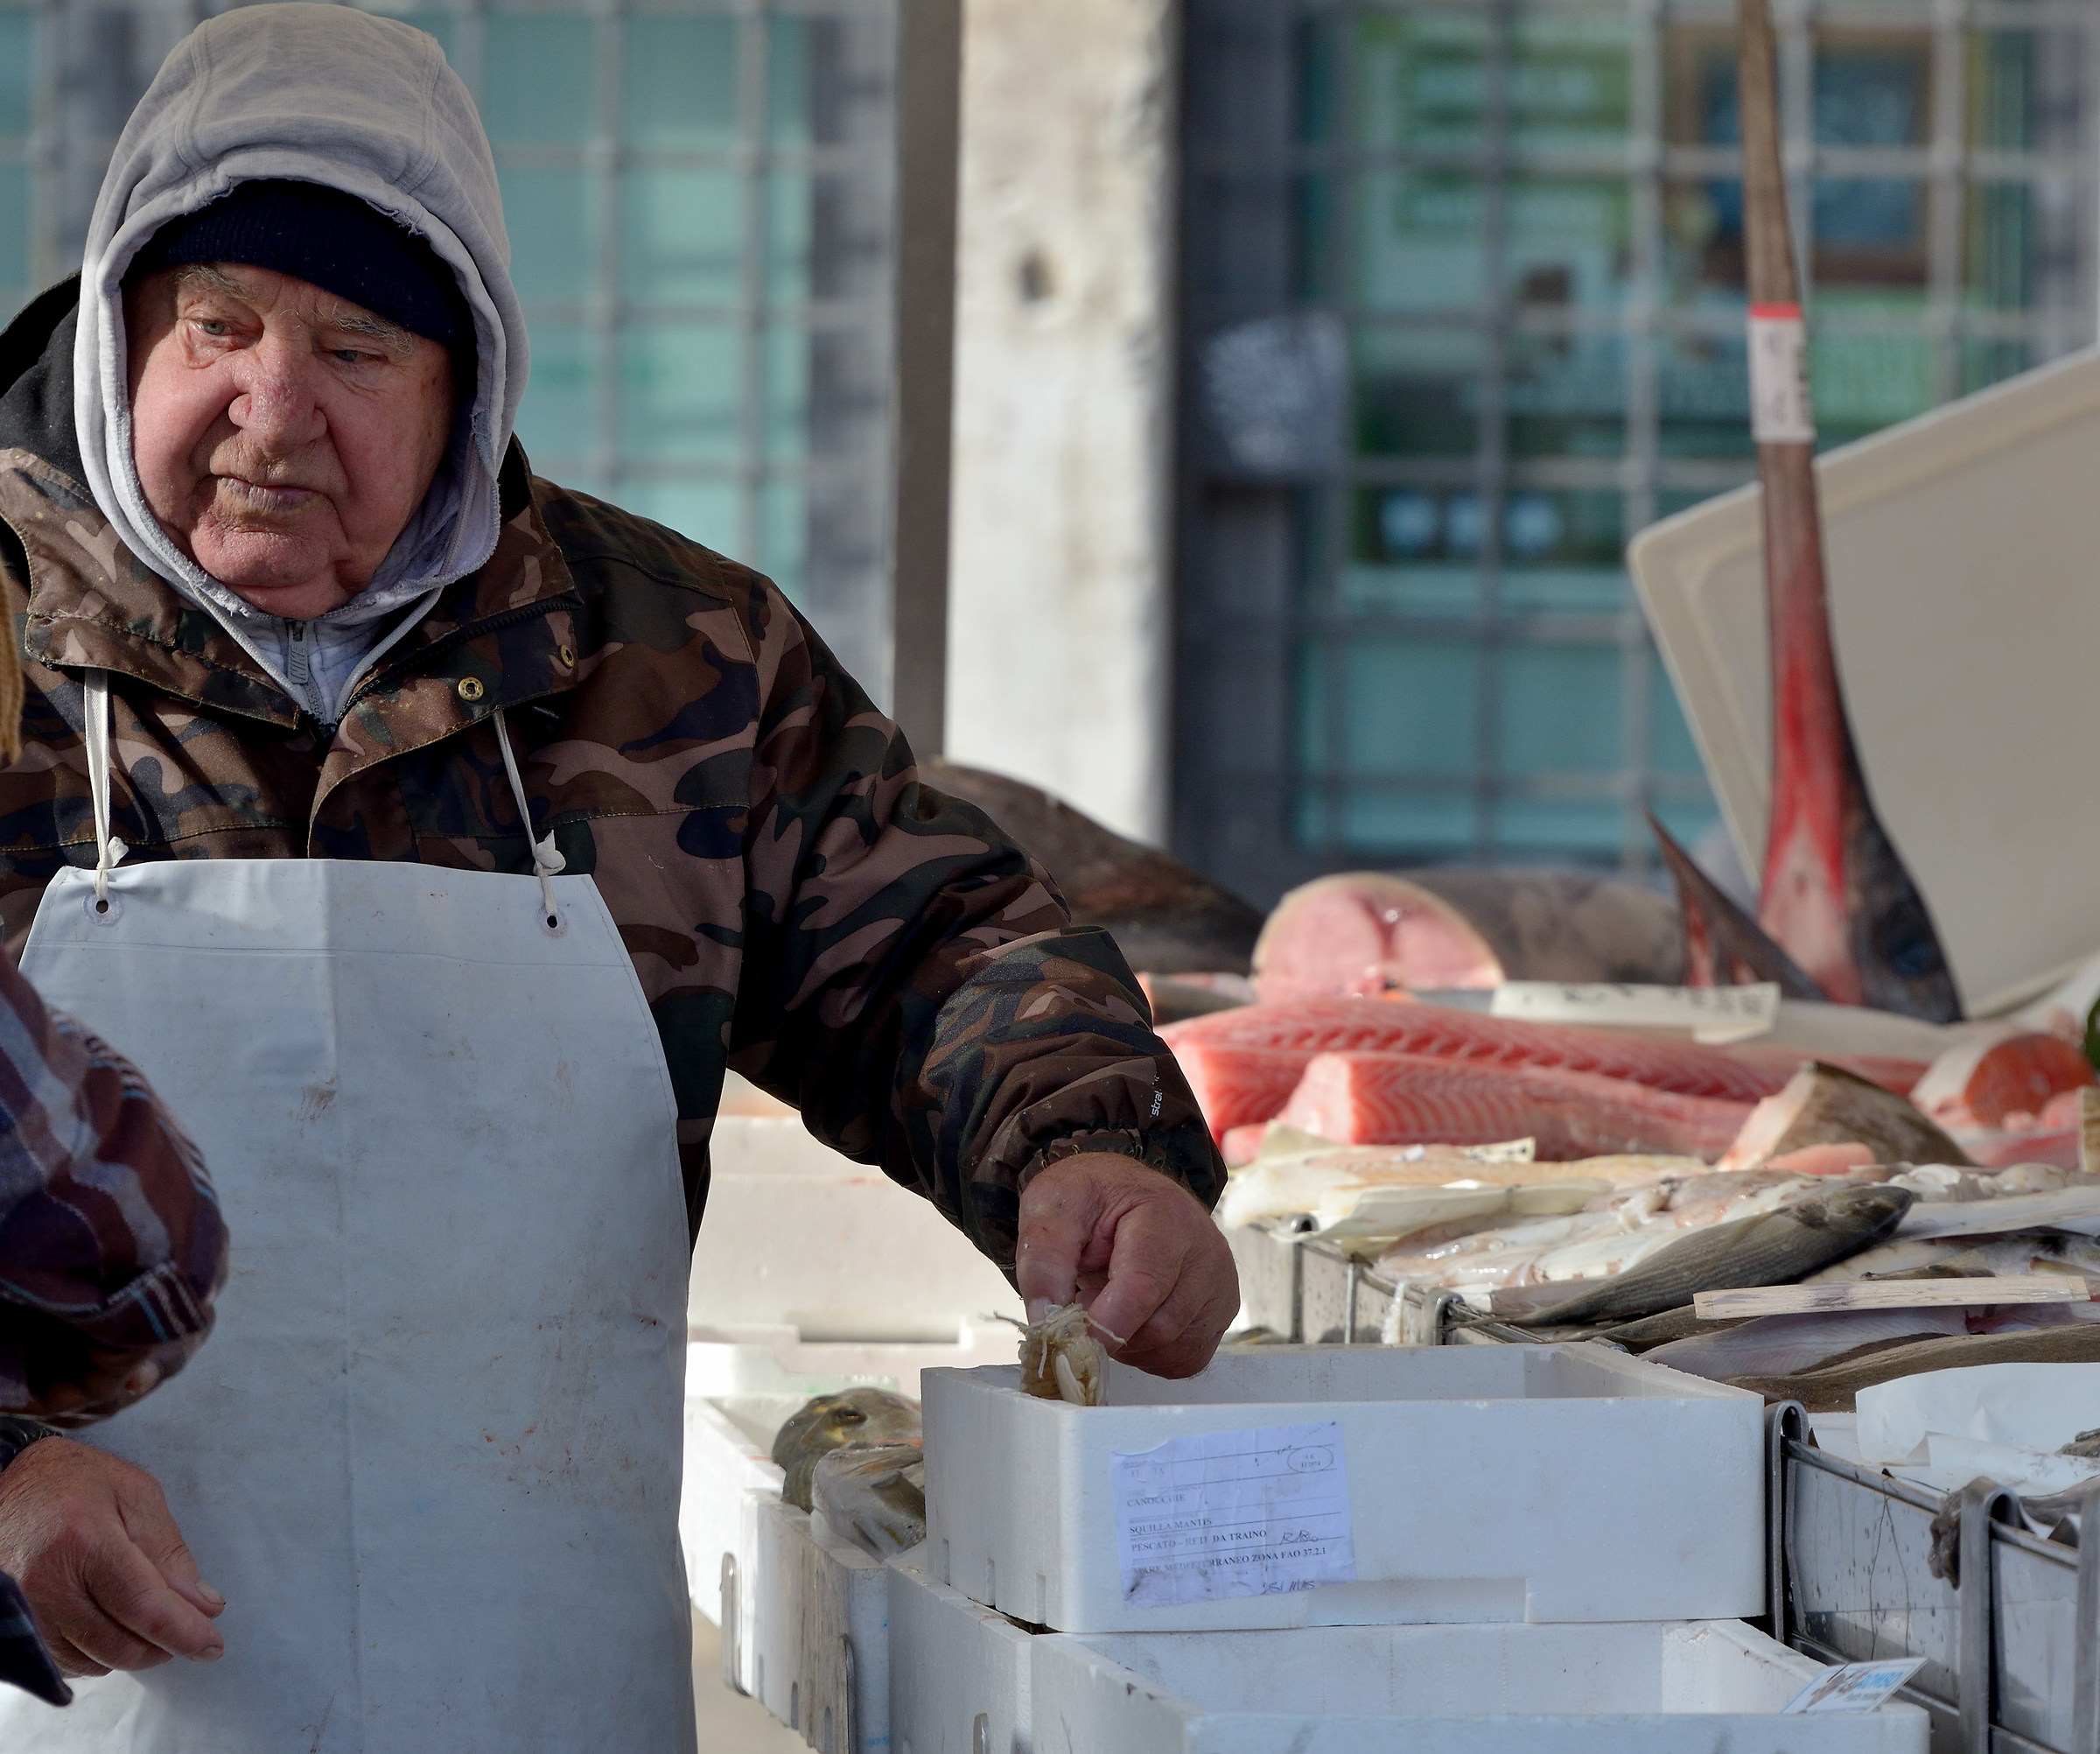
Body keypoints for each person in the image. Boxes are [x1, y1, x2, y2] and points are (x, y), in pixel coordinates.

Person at [0, 4, 1233, 1748]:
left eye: (355, 353)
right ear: (127, 315)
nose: (270, 414)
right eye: (220, 327)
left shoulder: (670, 657)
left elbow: (932, 947)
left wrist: (1091, 1143)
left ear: (467, 388)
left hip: (540, 1698)